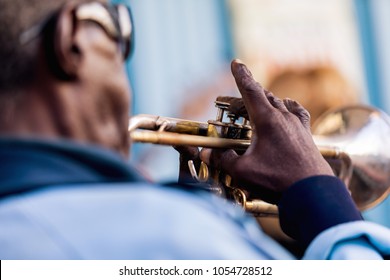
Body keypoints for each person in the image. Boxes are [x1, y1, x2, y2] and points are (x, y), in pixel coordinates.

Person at [0, 0, 389, 260]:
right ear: (73, 37)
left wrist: (207, 205)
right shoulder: (169, 231)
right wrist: (317, 191)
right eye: (121, 30)